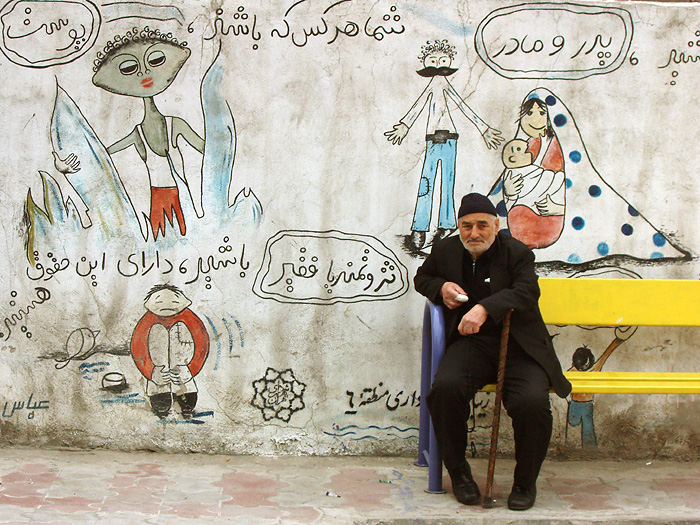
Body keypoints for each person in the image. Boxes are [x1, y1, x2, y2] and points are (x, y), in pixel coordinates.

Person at [414, 193, 571, 510]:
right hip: (471, 346)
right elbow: (423, 277)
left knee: (531, 404)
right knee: (445, 390)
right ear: (459, 227)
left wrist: (486, 307)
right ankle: (459, 474)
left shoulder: (517, 252)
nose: (474, 233)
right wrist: (441, 287)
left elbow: (527, 291)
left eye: (482, 225)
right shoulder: (446, 250)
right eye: (466, 226)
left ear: (496, 225)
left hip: (519, 347)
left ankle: (525, 483)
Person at [385, 39, 502, 251]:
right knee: (427, 184)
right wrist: (404, 125)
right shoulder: (434, 85)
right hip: (433, 139)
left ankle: (443, 226)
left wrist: (483, 128)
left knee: (445, 185)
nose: (438, 65)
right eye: (433, 61)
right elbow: (419, 105)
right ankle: (420, 228)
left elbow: (462, 106)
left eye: (442, 61)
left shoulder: (444, 85)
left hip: (449, 139)